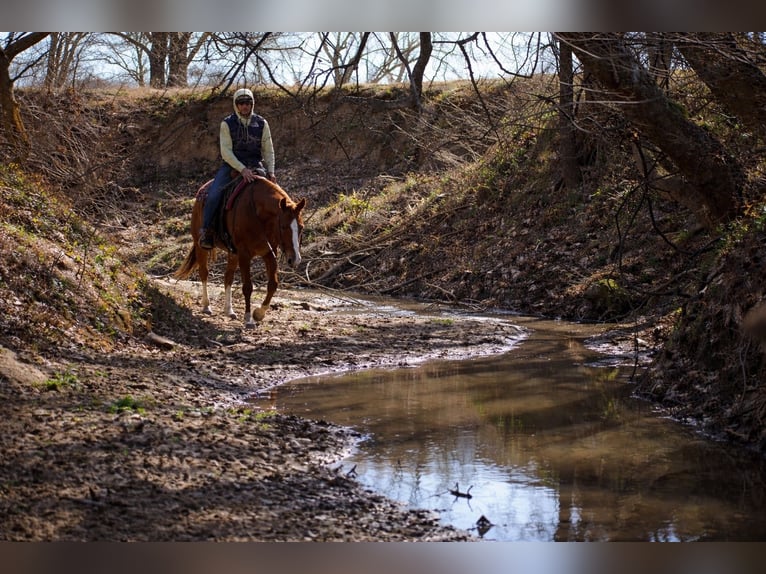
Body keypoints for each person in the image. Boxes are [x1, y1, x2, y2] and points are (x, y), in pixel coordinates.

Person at [199, 87, 277, 249]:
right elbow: (225, 151)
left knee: (277, 198)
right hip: (232, 167)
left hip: (256, 166)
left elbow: (268, 149)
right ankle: (207, 232)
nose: (244, 106)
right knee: (213, 195)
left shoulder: (262, 123)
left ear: (252, 104)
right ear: (236, 105)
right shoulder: (227, 124)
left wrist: (271, 171)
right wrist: (242, 169)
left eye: (247, 103)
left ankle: (279, 233)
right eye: (241, 103)